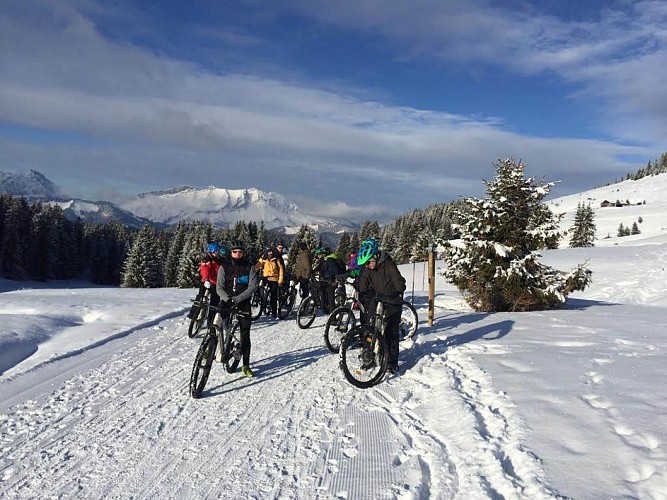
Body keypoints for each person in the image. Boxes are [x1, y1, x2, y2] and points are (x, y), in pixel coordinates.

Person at [357, 238, 406, 375]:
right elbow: (364, 280)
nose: (367, 266)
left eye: (369, 263)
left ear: (376, 257)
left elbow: (400, 283)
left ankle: (392, 362)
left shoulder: (389, 265)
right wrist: (362, 292)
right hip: (379, 298)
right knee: (370, 327)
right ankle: (369, 356)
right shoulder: (369, 267)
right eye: (365, 264)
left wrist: (396, 294)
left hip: (393, 300)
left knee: (391, 331)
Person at [216, 240, 259, 377]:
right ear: (231, 252)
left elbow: (252, 287)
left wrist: (238, 299)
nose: (237, 254)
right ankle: (213, 348)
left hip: (243, 302)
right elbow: (219, 287)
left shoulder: (249, 267)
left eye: (240, 252)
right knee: (217, 324)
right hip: (227, 300)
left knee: (245, 334)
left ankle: (245, 365)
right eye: (235, 252)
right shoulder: (224, 267)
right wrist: (228, 299)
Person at [187, 242, 224, 325]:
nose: (218, 253)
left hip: (216, 283)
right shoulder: (206, 259)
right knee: (200, 297)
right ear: (212, 251)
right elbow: (204, 270)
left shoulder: (220, 260)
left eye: (218, 251)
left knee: (214, 302)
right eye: (216, 251)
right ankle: (193, 314)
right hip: (206, 282)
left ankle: (210, 321)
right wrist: (206, 279)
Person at [313, 246, 344, 314]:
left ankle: (334, 319)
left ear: (324, 254)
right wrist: (312, 273)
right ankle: (327, 312)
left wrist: (336, 280)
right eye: (318, 255)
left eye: (320, 254)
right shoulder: (323, 261)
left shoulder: (329, 260)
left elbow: (336, 271)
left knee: (331, 300)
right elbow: (318, 268)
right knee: (323, 297)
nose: (318, 256)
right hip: (324, 281)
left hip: (330, 282)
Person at [255, 246, 284, 319]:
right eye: (268, 252)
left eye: (271, 252)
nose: (270, 253)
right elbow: (257, 266)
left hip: (274, 278)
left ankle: (274, 311)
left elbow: (281, 269)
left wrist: (280, 279)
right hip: (265, 277)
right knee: (259, 287)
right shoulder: (264, 258)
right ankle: (262, 299)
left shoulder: (276, 258)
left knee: (273, 294)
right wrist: (252, 272)